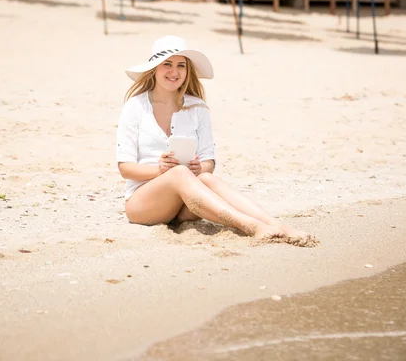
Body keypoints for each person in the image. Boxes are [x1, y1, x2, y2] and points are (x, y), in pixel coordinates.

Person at [116, 36, 318, 247]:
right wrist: (160, 171)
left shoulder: (198, 107)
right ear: (155, 68)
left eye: (181, 65)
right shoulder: (135, 106)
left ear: (187, 71)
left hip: (184, 205)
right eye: (167, 64)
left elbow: (209, 163)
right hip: (143, 204)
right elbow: (125, 168)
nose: (174, 72)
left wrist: (197, 168)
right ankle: (250, 226)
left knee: (206, 179)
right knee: (178, 172)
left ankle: (278, 225)